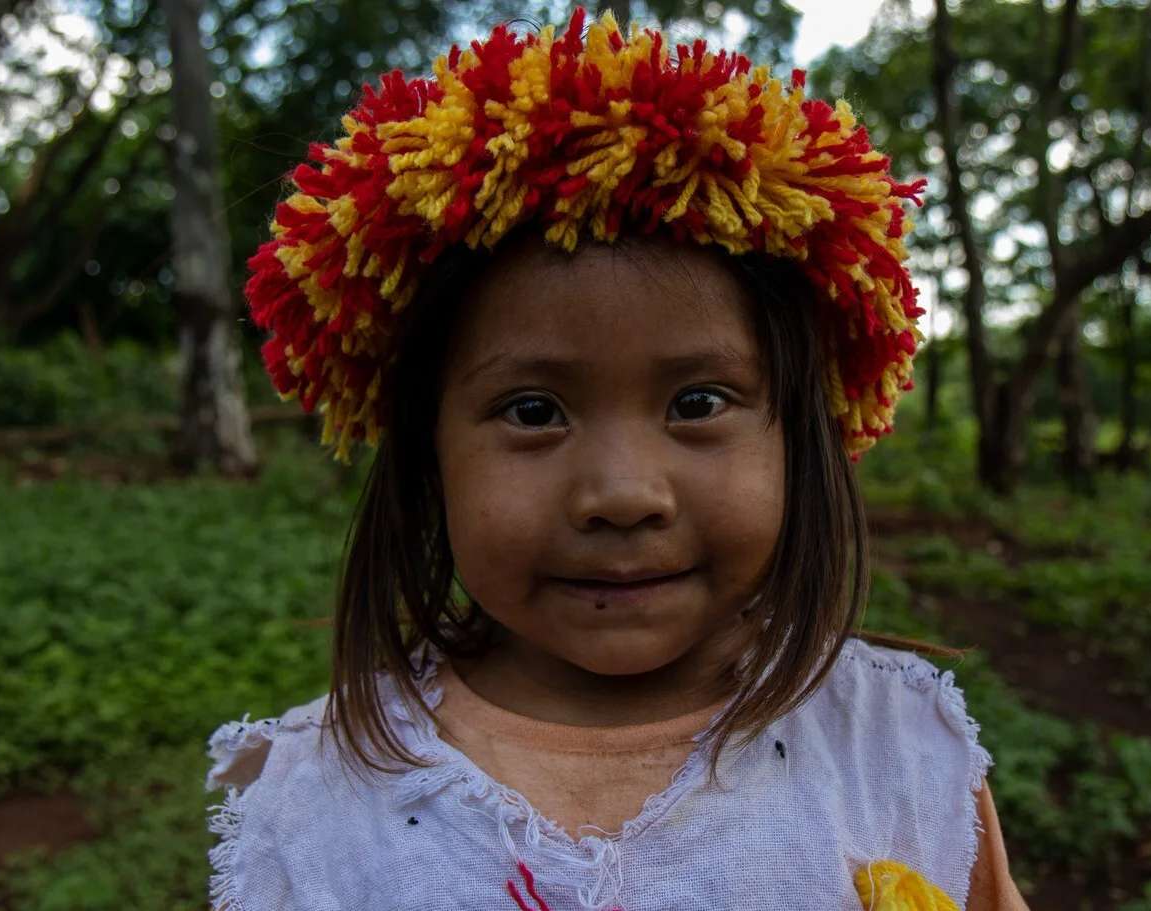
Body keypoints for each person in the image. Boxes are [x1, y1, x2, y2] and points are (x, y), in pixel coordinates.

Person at [207, 8, 1028, 910]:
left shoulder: (901, 756)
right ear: (426, 454)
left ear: (800, 434)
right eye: (533, 411)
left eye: (698, 403)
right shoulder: (317, 806)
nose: (623, 494)